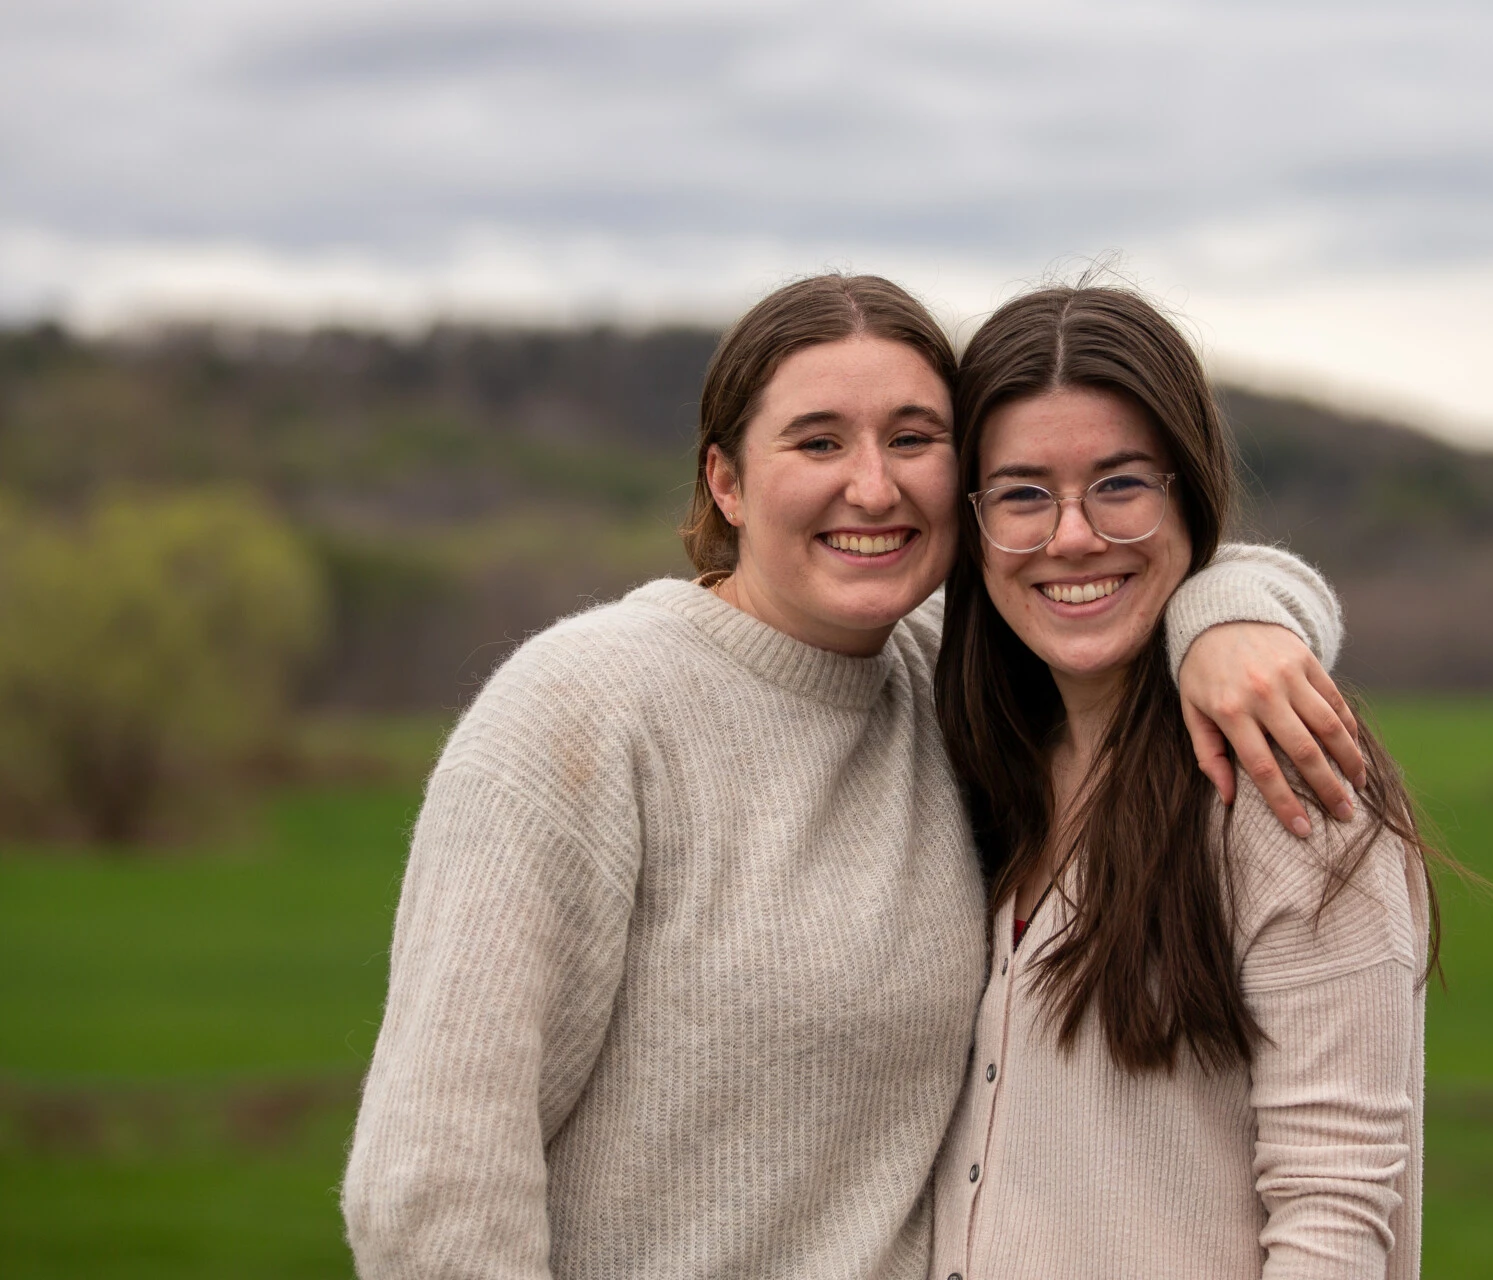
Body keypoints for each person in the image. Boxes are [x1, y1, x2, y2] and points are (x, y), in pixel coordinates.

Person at [340, 274, 1360, 1280]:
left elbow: (1121, 558)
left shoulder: (948, 683)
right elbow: (431, 1180)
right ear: (726, 480)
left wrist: (1229, 615)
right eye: (818, 440)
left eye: (914, 437)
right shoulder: (582, 708)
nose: (873, 486)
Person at [932, 286, 1448, 1280]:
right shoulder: (981, 755)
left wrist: (1233, 602)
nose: (1072, 535)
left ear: (1190, 491)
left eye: (1120, 483)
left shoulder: (1283, 780)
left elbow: (1333, 1220)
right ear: (974, 519)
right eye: (1023, 492)